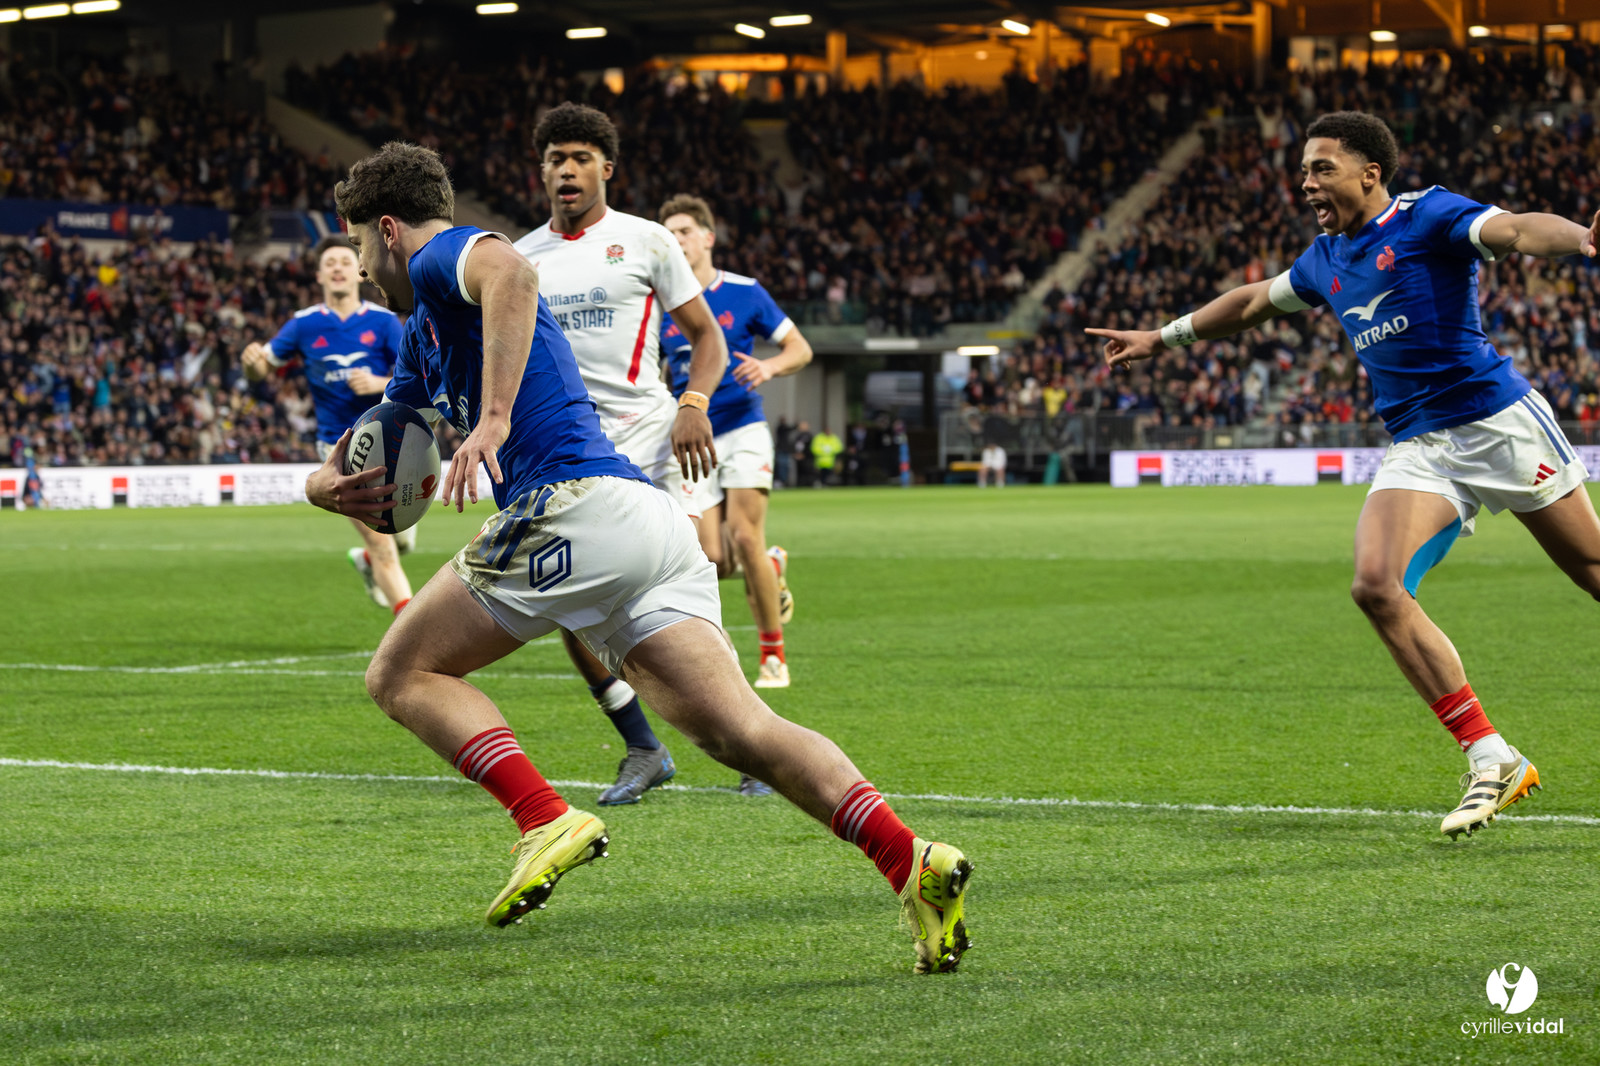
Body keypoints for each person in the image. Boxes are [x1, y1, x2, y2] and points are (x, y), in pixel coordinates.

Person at [305, 141, 974, 974]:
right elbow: (364, 445)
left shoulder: (448, 256)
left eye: (362, 249)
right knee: (741, 732)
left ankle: (544, 816)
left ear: (391, 231)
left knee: (401, 675)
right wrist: (320, 488)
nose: (365, 272)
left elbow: (511, 275)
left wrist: (497, 418)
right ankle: (912, 861)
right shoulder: (422, 337)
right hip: (644, 524)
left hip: (572, 505)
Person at [1088, 111, 1600, 839]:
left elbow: (1516, 231)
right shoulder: (1326, 259)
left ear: (1370, 172)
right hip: (1421, 447)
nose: (1306, 184)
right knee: (1375, 585)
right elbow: (1253, 302)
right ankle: (1492, 756)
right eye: (1302, 171)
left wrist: (1581, 239)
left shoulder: (1429, 217)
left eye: (1321, 168)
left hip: (1500, 426)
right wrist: (1161, 337)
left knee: (1593, 572)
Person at [511, 103, 729, 807]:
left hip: (656, 432)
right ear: (541, 170)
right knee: (570, 607)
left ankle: (746, 735)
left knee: (700, 568)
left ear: (607, 167)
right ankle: (642, 744)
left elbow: (708, 339)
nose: (566, 169)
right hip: (576, 451)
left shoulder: (646, 242)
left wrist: (692, 407)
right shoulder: (518, 260)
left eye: (579, 157)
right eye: (554, 158)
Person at [659, 193, 810, 695]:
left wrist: (768, 366)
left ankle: (772, 658)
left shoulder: (745, 293)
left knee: (746, 535)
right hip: (692, 438)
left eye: (684, 231)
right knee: (713, 561)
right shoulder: (657, 302)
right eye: (669, 232)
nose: (676, 239)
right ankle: (771, 567)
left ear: (708, 237)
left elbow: (800, 347)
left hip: (743, 426)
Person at [241, 235, 415, 615]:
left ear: (359, 270)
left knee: (400, 541)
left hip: (391, 441)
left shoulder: (384, 322)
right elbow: (260, 368)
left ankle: (368, 562)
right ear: (319, 274)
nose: (337, 267)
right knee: (384, 547)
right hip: (339, 448)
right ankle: (413, 634)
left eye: (344, 261)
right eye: (329, 263)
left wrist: (378, 383)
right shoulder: (303, 324)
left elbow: (416, 376)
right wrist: (250, 361)